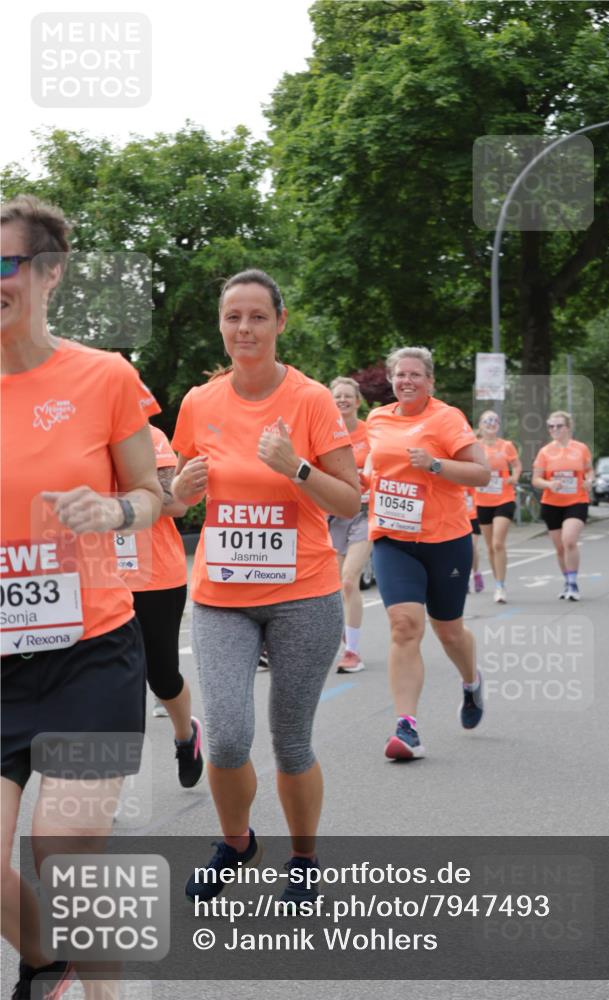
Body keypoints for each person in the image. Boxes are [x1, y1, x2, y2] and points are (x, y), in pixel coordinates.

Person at [1, 195, 162, 998]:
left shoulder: (103, 376)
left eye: (5, 263)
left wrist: (112, 512)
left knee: (64, 851)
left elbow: (152, 495)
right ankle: (46, 961)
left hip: (90, 655)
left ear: (50, 273)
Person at [170, 269, 359, 904]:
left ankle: (303, 857)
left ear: (280, 322)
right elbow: (175, 500)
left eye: (257, 316)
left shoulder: (311, 400)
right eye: (233, 317)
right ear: (221, 326)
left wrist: (297, 467)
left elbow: (349, 499)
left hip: (303, 592)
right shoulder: (200, 402)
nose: (244, 328)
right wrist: (179, 492)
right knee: (226, 737)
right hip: (222, 595)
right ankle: (237, 843)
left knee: (291, 739)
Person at [364, 347, 490, 761]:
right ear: (392, 379)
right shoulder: (377, 419)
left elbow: (481, 473)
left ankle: (471, 682)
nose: (407, 381)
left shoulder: (447, 418)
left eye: (415, 374)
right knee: (404, 626)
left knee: (448, 631)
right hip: (392, 538)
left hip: (444, 539)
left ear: (430, 381)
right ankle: (407, 727)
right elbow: (373, 464)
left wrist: (435, 465)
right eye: (400, 374)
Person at [117, 420, 204, 788]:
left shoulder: (149, 437)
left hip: (155, 578)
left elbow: (176, 504)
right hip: (100, 578)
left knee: (162, 676)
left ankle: (186, 736)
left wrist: (115, 501)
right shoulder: (77, 438)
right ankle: (118, 780)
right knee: (116, 681)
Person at [328, 377, 372, 673]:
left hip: (365, 513)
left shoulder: (370, 432)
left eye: (347, 396)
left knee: (348, 580)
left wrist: (366, 476)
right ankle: (346, 635)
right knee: (334, 587)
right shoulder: (326, 432)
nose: (342, 400)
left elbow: (376, 462)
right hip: (333, 515)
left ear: (357, 401)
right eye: (337, 397)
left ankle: (353, 652)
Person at [532, 411, 593, 600]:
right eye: (551, 426)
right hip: (552, 503)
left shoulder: (581, 449)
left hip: (576, 501)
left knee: (569, 540)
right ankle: (567, 581)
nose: (554, 429)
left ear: (568, 427)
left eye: (558, 426)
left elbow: (589, 471)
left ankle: (573, 585)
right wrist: (549, 484)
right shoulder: (545, 452)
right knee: (560, 548)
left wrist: (590, 480)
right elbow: (536, 479)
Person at [474, 411, 521, 604]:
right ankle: (497, 582)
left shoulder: (506, 445)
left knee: (498, 543)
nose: (491, 424)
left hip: (504, 499)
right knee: (490, 547)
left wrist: (514, 477)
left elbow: (516, 465)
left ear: (498, 425)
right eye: (487, 421)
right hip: (482, 501)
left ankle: (501, 586)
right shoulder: (475, 447)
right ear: (481, 425)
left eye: (494, 421)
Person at [465, 488, 484, 593]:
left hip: (473, 517)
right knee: (462, 551)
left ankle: (476, 574)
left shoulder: (470, 483)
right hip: (458, 518)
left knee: (471, 546)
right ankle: (465, 579)